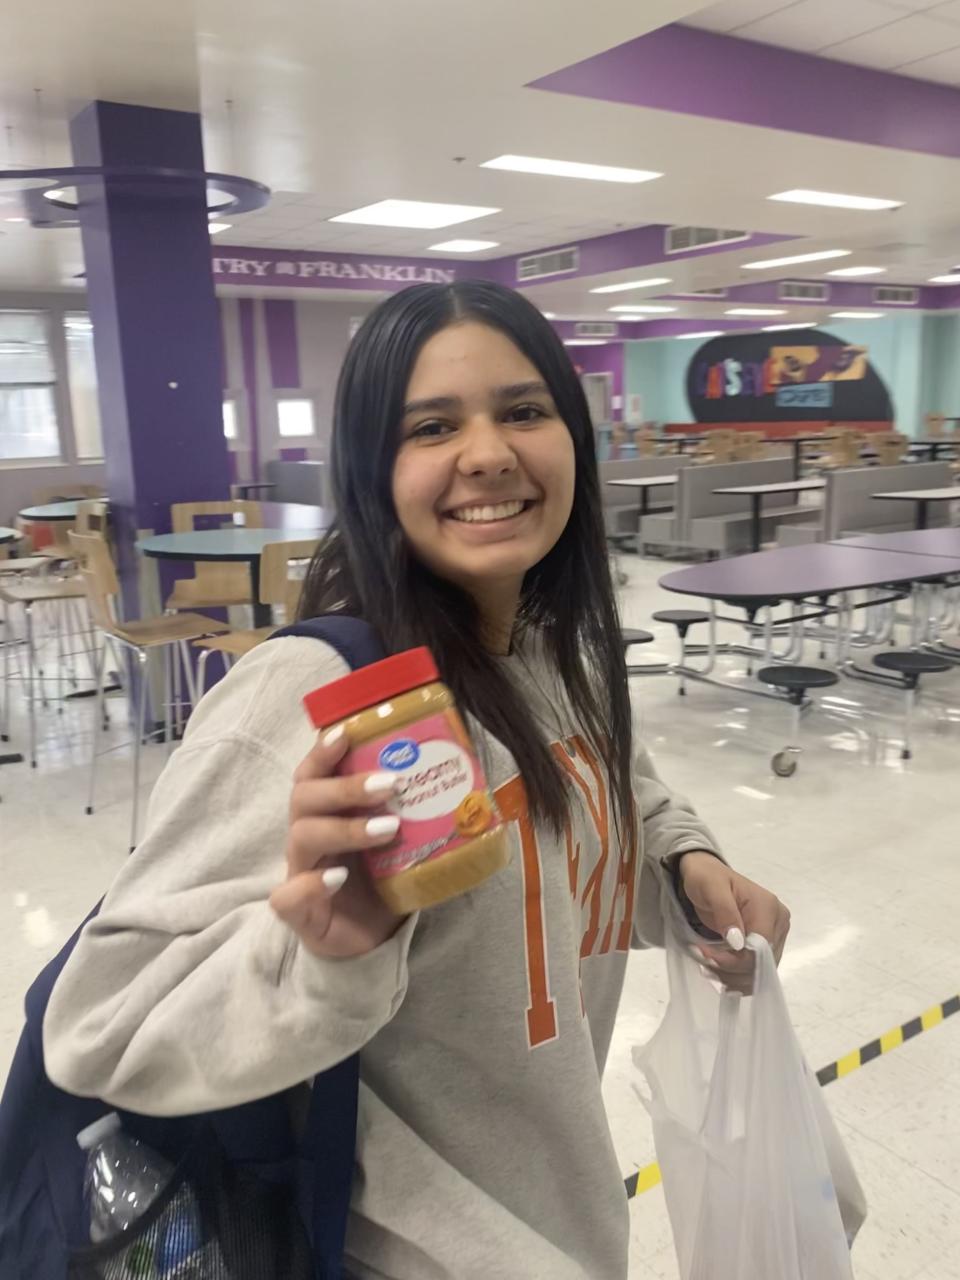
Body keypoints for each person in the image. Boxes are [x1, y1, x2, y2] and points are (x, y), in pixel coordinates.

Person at [43, 281, 790, 1280]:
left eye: (524, 410)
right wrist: (326, 952)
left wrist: (688, 867)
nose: (488, 453)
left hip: (565, 1219)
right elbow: (101, 1028)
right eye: (433, 426)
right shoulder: (311, 696)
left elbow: (614, 796)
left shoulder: (555, 651)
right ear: (370, 468)